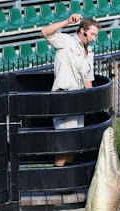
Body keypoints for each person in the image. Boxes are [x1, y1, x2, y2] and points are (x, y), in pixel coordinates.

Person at [41, 14, 101, 167]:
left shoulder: (89, 53)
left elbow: (88, 80)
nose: (94, 38)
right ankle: (56, 180)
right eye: (92, 34)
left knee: (73, 145)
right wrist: (67, 21)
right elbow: (45, 32)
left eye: (96, 35)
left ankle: (65, 182)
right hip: (63, 97)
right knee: (64, 145)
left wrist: (93, 103)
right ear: (83, 30)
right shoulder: (66, 41)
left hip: (78, 100)